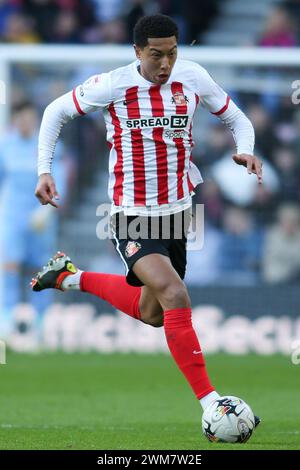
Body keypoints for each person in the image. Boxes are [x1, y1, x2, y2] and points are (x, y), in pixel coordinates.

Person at [31, 14, 262, 427]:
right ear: (138, 52)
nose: (165, 64)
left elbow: (236, 118)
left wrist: (245, 148)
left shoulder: (193, 77)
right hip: (131, 215)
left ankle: (70, 277)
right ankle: (212, 403)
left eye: (172, 53)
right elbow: (55, 111)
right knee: (174, 294)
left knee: (154, 312)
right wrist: (44, 170)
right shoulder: (112, 85)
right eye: (156, 55)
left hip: (178, 214)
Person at [0, 101, 67, 336]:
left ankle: (39, 323)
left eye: (30, 119)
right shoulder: (5, 145)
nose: (26, 123)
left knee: (40, 271)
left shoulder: (48, 146)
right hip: (12, 215)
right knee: (9, 267)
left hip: (41, 216)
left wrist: (47, 211)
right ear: (15, 120)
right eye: (22, 119)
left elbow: (61, 178)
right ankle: (5, 321)